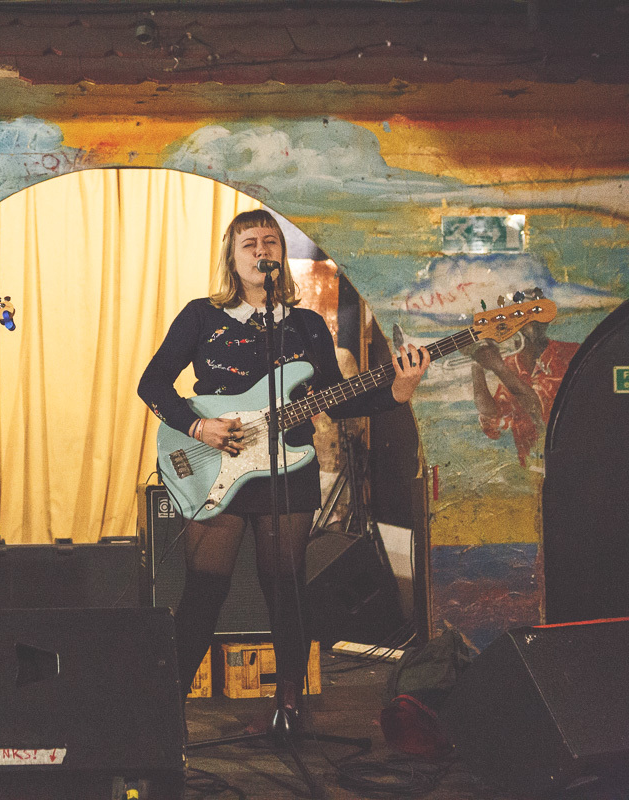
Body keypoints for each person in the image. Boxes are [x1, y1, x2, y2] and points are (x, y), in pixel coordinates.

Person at [137, 209, 430, 732]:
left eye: (270, 241)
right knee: (205, 588)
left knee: (287, 586)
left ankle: (289, 704)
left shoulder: (305, 324)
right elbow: (152, 385)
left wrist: (396, 392)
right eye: (248, 243)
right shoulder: (200, 316)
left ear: (281, 255)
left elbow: (335, 403)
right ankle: (166, 707)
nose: (261, 250)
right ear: (231, 257)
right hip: (215, 462)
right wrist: (198, 428)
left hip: (288, 468)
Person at [469, 287, 577, 468]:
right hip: (532, 469)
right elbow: (493, 421)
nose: (533, 323)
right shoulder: (511, 364)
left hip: (571, 464)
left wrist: (498, 368)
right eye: (523, 316)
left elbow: (537, 409)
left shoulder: (569, 354)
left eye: (536, 314)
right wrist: (476, 365)